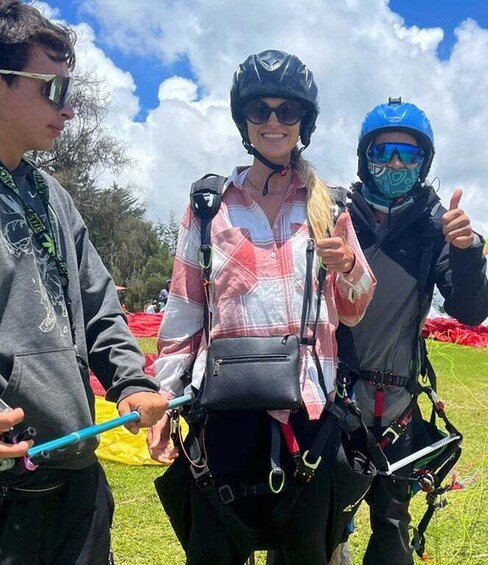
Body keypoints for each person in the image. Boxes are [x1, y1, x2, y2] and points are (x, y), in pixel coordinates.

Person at [146, 49, 376, 565]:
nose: (273, 122)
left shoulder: (331, 207)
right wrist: (165, 396)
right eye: (260, 110)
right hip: (223, 418)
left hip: (309, 419)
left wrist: (347, 270)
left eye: (287, 111)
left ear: (304, 122)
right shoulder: (209, 207)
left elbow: (356, 309)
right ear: (243, 120)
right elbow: (185, 312)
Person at [0, 3, 168, 564]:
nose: (67, 108)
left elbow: (98, 309)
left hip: (76, 479)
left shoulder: (55, 199)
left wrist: (131, 383)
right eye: (52, 88)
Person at [335, 98, 488, 565]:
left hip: (399, 407)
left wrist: (466, 251)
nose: (396, 164)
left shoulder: (433, 227)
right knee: (315, 526)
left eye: (409, 154)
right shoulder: (338, 218)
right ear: (366, 158)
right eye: (384, 153)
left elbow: (471, 310)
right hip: (336, 402)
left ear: (424, 164)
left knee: (391, 532)